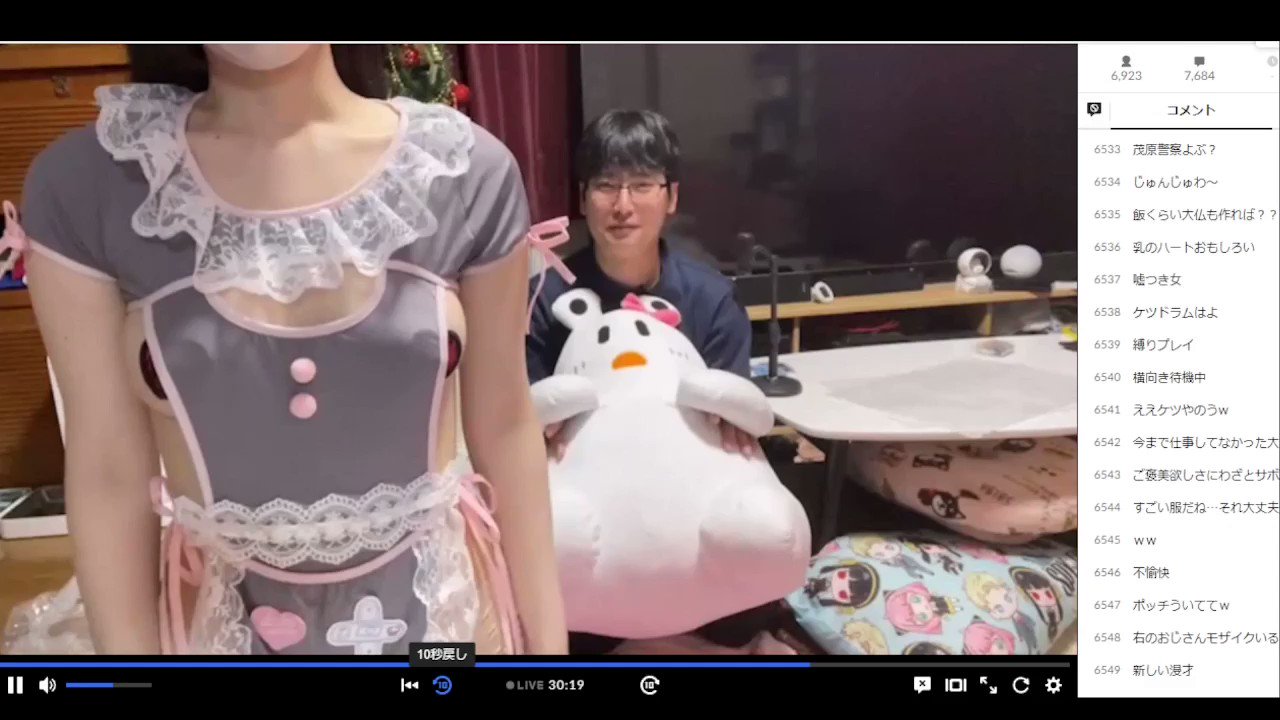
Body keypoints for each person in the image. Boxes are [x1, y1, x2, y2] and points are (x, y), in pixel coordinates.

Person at [5, 44, 565, 655]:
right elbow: (108, 468)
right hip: (215, 626)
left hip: (440, 613)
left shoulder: (461, 170)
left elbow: (506, 426)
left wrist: (549, 656)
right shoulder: (89, 186)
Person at [526, 109, 758, 459]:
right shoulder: (542, 301)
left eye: (642, 185)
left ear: (672, 197)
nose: (623, 206)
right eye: (606, 185)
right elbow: (524, 427)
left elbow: (731, 428)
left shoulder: (714, 302)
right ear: (582, 198)